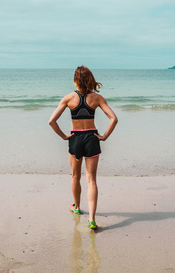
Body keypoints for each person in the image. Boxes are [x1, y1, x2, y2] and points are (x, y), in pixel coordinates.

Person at [49, 66, 118, 229]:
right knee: (91, 179)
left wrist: (64, 136)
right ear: (90, 79)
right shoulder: (97, 98)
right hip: (92, 138)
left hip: (75, 138)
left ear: (75, 80)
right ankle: (92, 219)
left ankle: (78, 208)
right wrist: (104, 137)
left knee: (75, 176)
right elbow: (114, 118)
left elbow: (51, 121)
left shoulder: (68, 98)